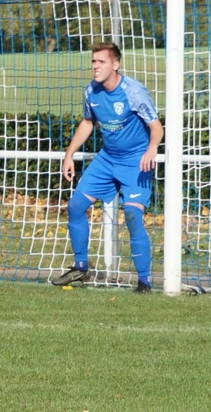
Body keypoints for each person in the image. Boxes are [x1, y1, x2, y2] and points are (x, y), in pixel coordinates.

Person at [52, 41, 164, 294]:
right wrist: (69, 155)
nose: (95, 66)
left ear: (115, 64)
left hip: (135, 161)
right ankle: (81, 267)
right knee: (75, 206)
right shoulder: (90, 91)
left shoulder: (133, 91)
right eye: (93, 61)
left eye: (101, 62)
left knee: (132, 215)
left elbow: (156, 127)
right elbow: (87, 123)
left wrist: (151, 149)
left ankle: (144, 282)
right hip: (107, 159)